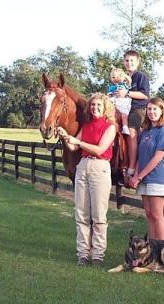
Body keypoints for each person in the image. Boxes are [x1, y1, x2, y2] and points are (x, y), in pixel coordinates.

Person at [57, 93, 117, 266]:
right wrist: (66, 136)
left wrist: (78, 141)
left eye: (99, 105)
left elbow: (100, 149)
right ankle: (83, 254)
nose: (95, 108)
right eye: (93, 105)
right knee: (81, 214)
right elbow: (74, 146)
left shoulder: (110, 127)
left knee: (98, 215)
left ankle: (98, 255)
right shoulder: (87, 125)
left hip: (100, 168)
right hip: (83, 166)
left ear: (105, 108)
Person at [129, 97, 164, 240]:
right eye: (149, 109)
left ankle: (161, 250)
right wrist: (135, 175)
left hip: (157, 177)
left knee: (157, 214)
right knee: (149, 214)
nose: (151, 112)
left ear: (161, 111)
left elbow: (158, 157)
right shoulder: (145, 131)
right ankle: (151, 249)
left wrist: (139, 176)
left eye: (155, 109)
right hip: (143, 179)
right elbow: (139, 157)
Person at [114, 50, 150, 184]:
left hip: (137, 108)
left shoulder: (140, 76)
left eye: (132, 61)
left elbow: (145, 95)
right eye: (127, 61)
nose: (129, 63)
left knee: (131, 131)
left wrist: (127, 93)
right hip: (122, 108)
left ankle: (131, 167)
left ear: (137, 62)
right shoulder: (121, 77)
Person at [107, 67, 132, 135]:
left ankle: (125, 127)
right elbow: (109, 96)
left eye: (118, 76)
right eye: (113, 77)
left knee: (124, 115)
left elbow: (129, 80)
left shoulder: (124, 85)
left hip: (123, 102)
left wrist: (124, 75)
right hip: (114, 102)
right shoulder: (111, 87)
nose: (116, 78)